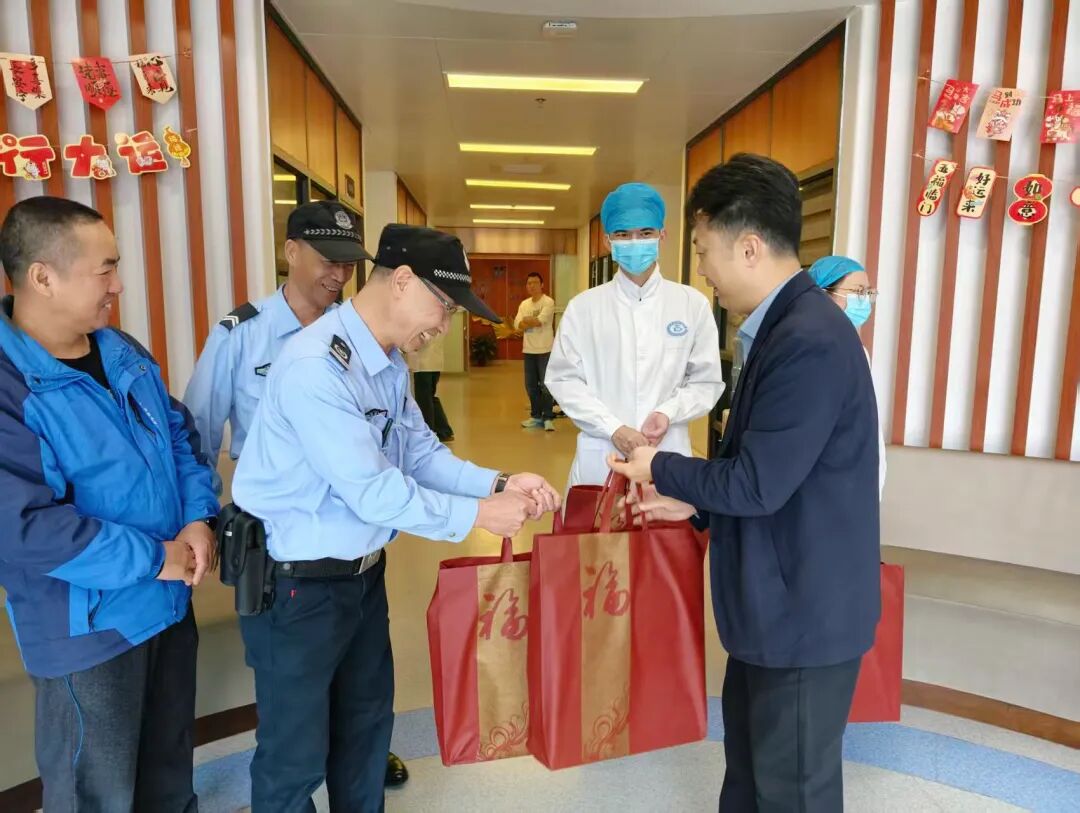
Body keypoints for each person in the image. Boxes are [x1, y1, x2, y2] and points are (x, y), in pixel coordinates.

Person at [230, 223, 561, 811]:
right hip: (298, 589)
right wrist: (481, 513)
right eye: (444, 305)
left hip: (360, 578)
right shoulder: (316, 366)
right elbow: (375, 493)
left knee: (365, 731)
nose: (446, 325)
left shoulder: (385, 362)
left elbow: (421, 453)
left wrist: (500, 482)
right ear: (403, 281)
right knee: (294, 756)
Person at [610, 154, 881, 812]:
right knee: (753, 777)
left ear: (750, 246)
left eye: (704, 251)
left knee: (791, 790)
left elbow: (759, 483)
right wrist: (694, 504)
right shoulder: (784, 327)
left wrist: (659, 467)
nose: (702, 269)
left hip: (803, 611)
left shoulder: (809, 338)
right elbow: (777, 469)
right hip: (776, 603)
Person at [183, 200, 412, 788]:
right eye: (327, 259)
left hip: (355, 540)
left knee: (361, 684)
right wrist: (198, 520)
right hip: (285, 545)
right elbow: (197, 436)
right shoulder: (243, 335)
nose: (339, 274)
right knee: (294, 707)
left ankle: (358, 758)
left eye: (348, 263)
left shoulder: (367, 339)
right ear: (290, 251)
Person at [0, 196, 218, 810]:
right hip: (88, 634)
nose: (118, 285)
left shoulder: (121, 351)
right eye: (106, 269)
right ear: (43, 277)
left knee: (169, 780)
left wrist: (197, 517)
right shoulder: (11, 386)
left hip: (167, 606)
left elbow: (178, 435)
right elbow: (24, 526)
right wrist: (156, 557)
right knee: (97, 795)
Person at [546, 181, 725, 487]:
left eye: (645, 233)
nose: (634, 242)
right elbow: (564, 381)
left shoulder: (691, 304)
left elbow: (706, 382)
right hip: (602, 453)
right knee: (596, 519)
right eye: (622, 234)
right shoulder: (583, 308)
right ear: (607, 241)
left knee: (665, 517)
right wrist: (613, 428)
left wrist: (667, 413)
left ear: (662, 236)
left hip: (667, 452)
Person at [808, 255, 887, 498]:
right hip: (828, 485)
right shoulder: (810, 351)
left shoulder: (859, 351)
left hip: (857, 481)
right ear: (823, 294)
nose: (864, 300)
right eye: (858, 291)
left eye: (868, 293)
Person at [514, 271, 556, 431]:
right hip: (529, 350)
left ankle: (548, 417)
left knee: (546, 385)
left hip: (545, 349)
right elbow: (518, 324)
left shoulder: (548, 302)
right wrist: (529, 321)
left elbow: (540, 321)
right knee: (530, 386)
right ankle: (536, 416)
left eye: (535, 282)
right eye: (529, 283)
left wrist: (529, 321)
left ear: (542, 285)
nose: (532, 286)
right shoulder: (524, 304)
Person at [408, 331, 454, 442]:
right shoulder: (437, 323)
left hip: (424, 365)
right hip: (433, 363)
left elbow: (420, 340)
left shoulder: (425, 325)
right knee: (430, 398)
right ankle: (444, 431)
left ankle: (428, 434)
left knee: (424, 400)